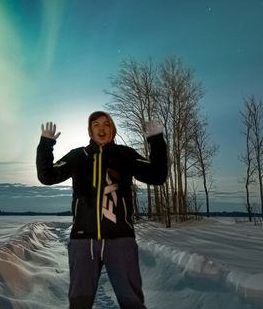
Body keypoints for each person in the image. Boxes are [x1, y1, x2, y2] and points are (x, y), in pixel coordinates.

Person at [37, 110, 167, 309]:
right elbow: (47, 177)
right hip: (83, 241)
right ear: (90, 131)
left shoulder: (126, 155)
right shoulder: (78, 156)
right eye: (96, 125)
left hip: (121, 240)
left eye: (106, 124)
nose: (101, 128)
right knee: (79, 302)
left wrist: (157, 141)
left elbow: (157, 176)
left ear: (113, 129)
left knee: (131, 301)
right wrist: (46, 145)